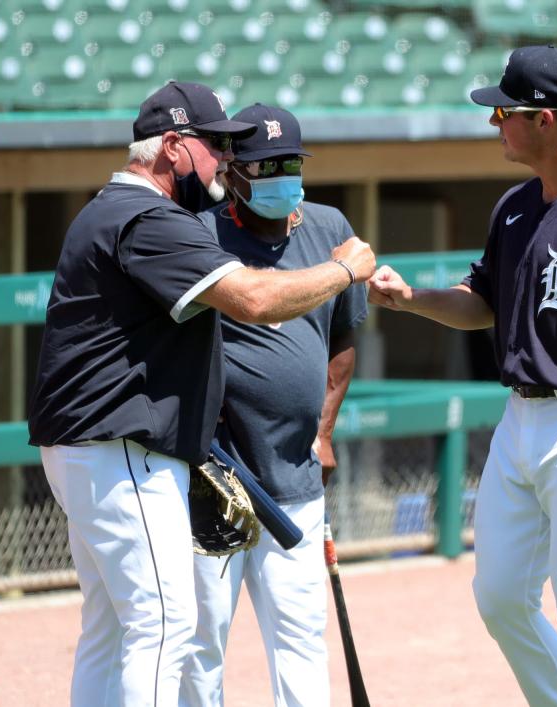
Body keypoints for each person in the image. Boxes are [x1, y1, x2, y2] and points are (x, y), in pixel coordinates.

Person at [27, 82, 375, 707]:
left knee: (111, 630)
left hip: (90, 445)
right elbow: (256, 299)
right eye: (214, 146)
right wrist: (347, 268)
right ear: (172, 146)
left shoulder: (109, 209)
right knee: (164, 629)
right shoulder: (148, 216)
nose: (222, 162)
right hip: (122, 445)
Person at [368, 45, 557, 706]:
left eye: (504, 110)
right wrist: (413, 298)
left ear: (548, 120)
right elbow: (484, 304)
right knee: (500, 595)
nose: (493, 121)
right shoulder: (513, 207)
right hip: (521, 418)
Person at [179, 103, 366, 707]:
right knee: (200, 645)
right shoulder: (200, 232)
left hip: (295, 480)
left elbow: (342, 342)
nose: (283, 175)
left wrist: (325, 432)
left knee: (302, 640)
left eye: (291, 162)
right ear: (233, 170)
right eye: (267, 165)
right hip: (216, 481)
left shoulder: (328, 225)